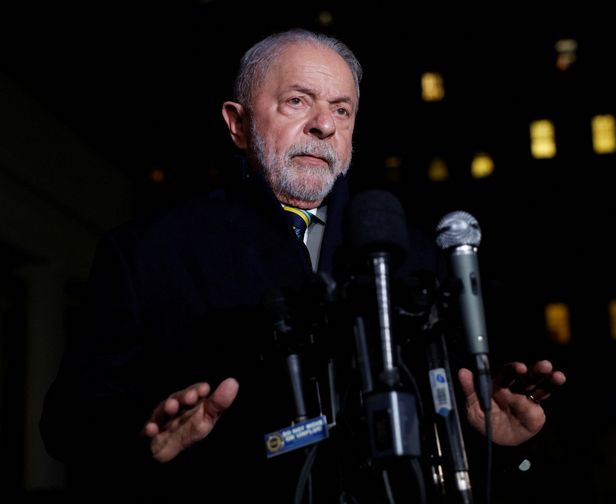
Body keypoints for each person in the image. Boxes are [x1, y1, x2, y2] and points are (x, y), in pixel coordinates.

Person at [40, 28, 566, 502]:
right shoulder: (147, 252)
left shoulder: (419, 258)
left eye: (342, 110)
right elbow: (68, 426)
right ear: (238, 124)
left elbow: (453, 445)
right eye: (298, 101)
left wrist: (500, 444)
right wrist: (143, 437)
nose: (323, 126)